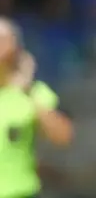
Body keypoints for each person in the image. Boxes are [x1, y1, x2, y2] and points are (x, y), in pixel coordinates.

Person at [0, 18, 74, 198]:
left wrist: (28, 91)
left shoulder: (35, 92)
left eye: (2, 39)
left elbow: (63, 136)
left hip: (19, 192)